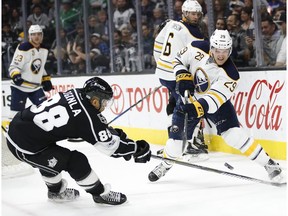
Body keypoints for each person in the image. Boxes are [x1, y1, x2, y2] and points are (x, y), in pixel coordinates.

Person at [148, 29, 283, 183]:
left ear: (230, 50)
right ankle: (165, 164)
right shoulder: (196, 46)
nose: (221, 55)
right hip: (189, 99)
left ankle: (268, 164)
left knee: (234, 135)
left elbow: (214, 100)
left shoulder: (231, 74)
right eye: (217, 50)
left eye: (225, 51)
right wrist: (182, 75)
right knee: (175, 145)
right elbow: (177, 59)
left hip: (215, 105)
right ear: (211, 47)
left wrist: (195, 108)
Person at [6, 76, 151, 205]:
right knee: (75, 161)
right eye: (105, 102)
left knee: (54, 158)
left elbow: (78, 122)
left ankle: (54, 192)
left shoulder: (76, 92)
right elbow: (111, 148)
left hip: (22, 127)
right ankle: (100, 195)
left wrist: (106, 131)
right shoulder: (87, 118)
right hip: (25, 146)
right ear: (94, 100)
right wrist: (136, 148)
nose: (106, 105)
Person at [153, 0, 207, 158]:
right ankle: (187, 144)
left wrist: (161, 64)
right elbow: (195, 58)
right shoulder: (194, 33)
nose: (195, 16)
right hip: (176, 74)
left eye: (197, 14)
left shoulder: (170, 24)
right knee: (190, 107)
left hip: (163, 72)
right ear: (184, 12)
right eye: (192, 13)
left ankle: (174, 143)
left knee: (174, 104)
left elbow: (158, 43)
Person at [8, 24, 53, 120]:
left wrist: (45, 79)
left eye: (39, 34)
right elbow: (14, 66)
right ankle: (10, 132)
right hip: (19, 87)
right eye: (33, 34)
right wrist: (16, 75)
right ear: (29, 36)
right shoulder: (24, 47)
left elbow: (40, 67)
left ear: (42, 36)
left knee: (45, 110)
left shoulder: (44, 49)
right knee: (16, 115)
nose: (36, 36)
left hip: (35, 87)